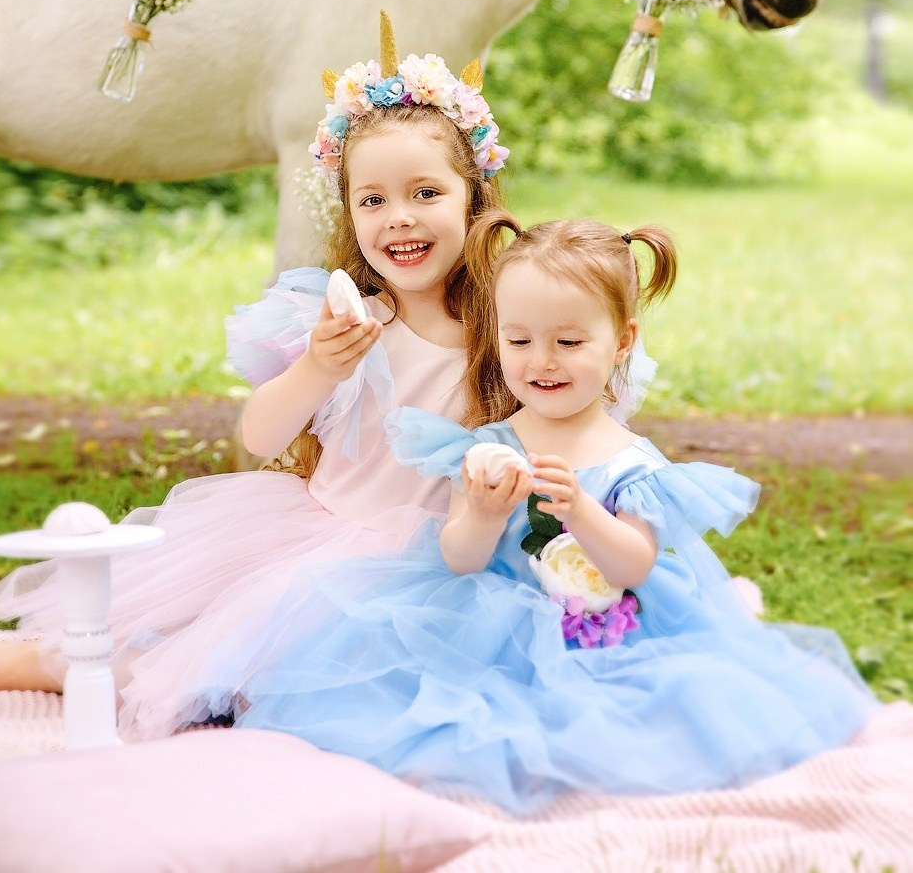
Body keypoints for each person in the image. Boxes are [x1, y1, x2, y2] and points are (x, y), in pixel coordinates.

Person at [198, 212, 875, 814]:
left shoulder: (631, 460)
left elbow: (633, 566)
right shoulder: (485, 445)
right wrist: (484, 513)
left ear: (622, 342)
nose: (540, 362)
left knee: (640, 712)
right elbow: (459, 558)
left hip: (604, 629)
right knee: (444, 706)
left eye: (568, 343)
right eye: (518, 341)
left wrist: (581, 510)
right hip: (489, 622)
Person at [0, 18, 517, 738]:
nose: (398, 218)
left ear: (473, 196)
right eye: (372, 200)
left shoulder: (512, 325)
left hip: (453, 552)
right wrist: (318, 368)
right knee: (193, 662)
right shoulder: (346, 320)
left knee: (353, 682)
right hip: (320, 544)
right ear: (349, 211)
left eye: (425, 193)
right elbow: (261, 435)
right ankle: (34, 664)